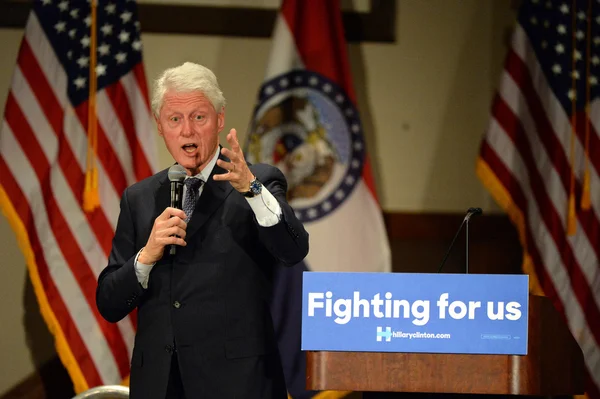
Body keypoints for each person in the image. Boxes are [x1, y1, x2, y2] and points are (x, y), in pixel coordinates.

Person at [96, 62, 309, 399]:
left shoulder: (258, 182)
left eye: (199, 117)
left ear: (220, 119)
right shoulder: (139, 198)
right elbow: (109, 303)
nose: (187, 131)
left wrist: (251, 190)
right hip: (161, 385)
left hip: (238, 384)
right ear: (160, 126)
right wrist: (146, 256)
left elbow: (293, 250)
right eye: (175, 119)